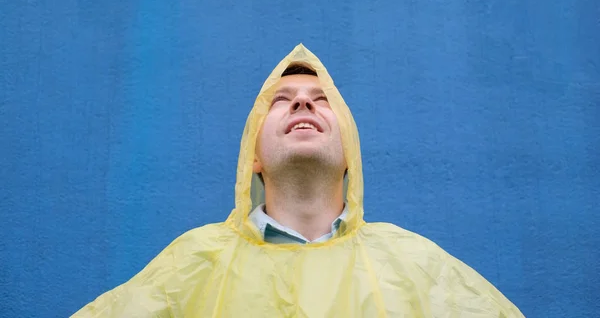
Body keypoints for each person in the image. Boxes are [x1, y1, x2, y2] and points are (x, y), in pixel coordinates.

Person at [73, 44, 525, 317]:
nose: (302, 105)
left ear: (350, 151)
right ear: (253, 156)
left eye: (320, 99)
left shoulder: (418, 267)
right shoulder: (190, 266)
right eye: (282, 99)